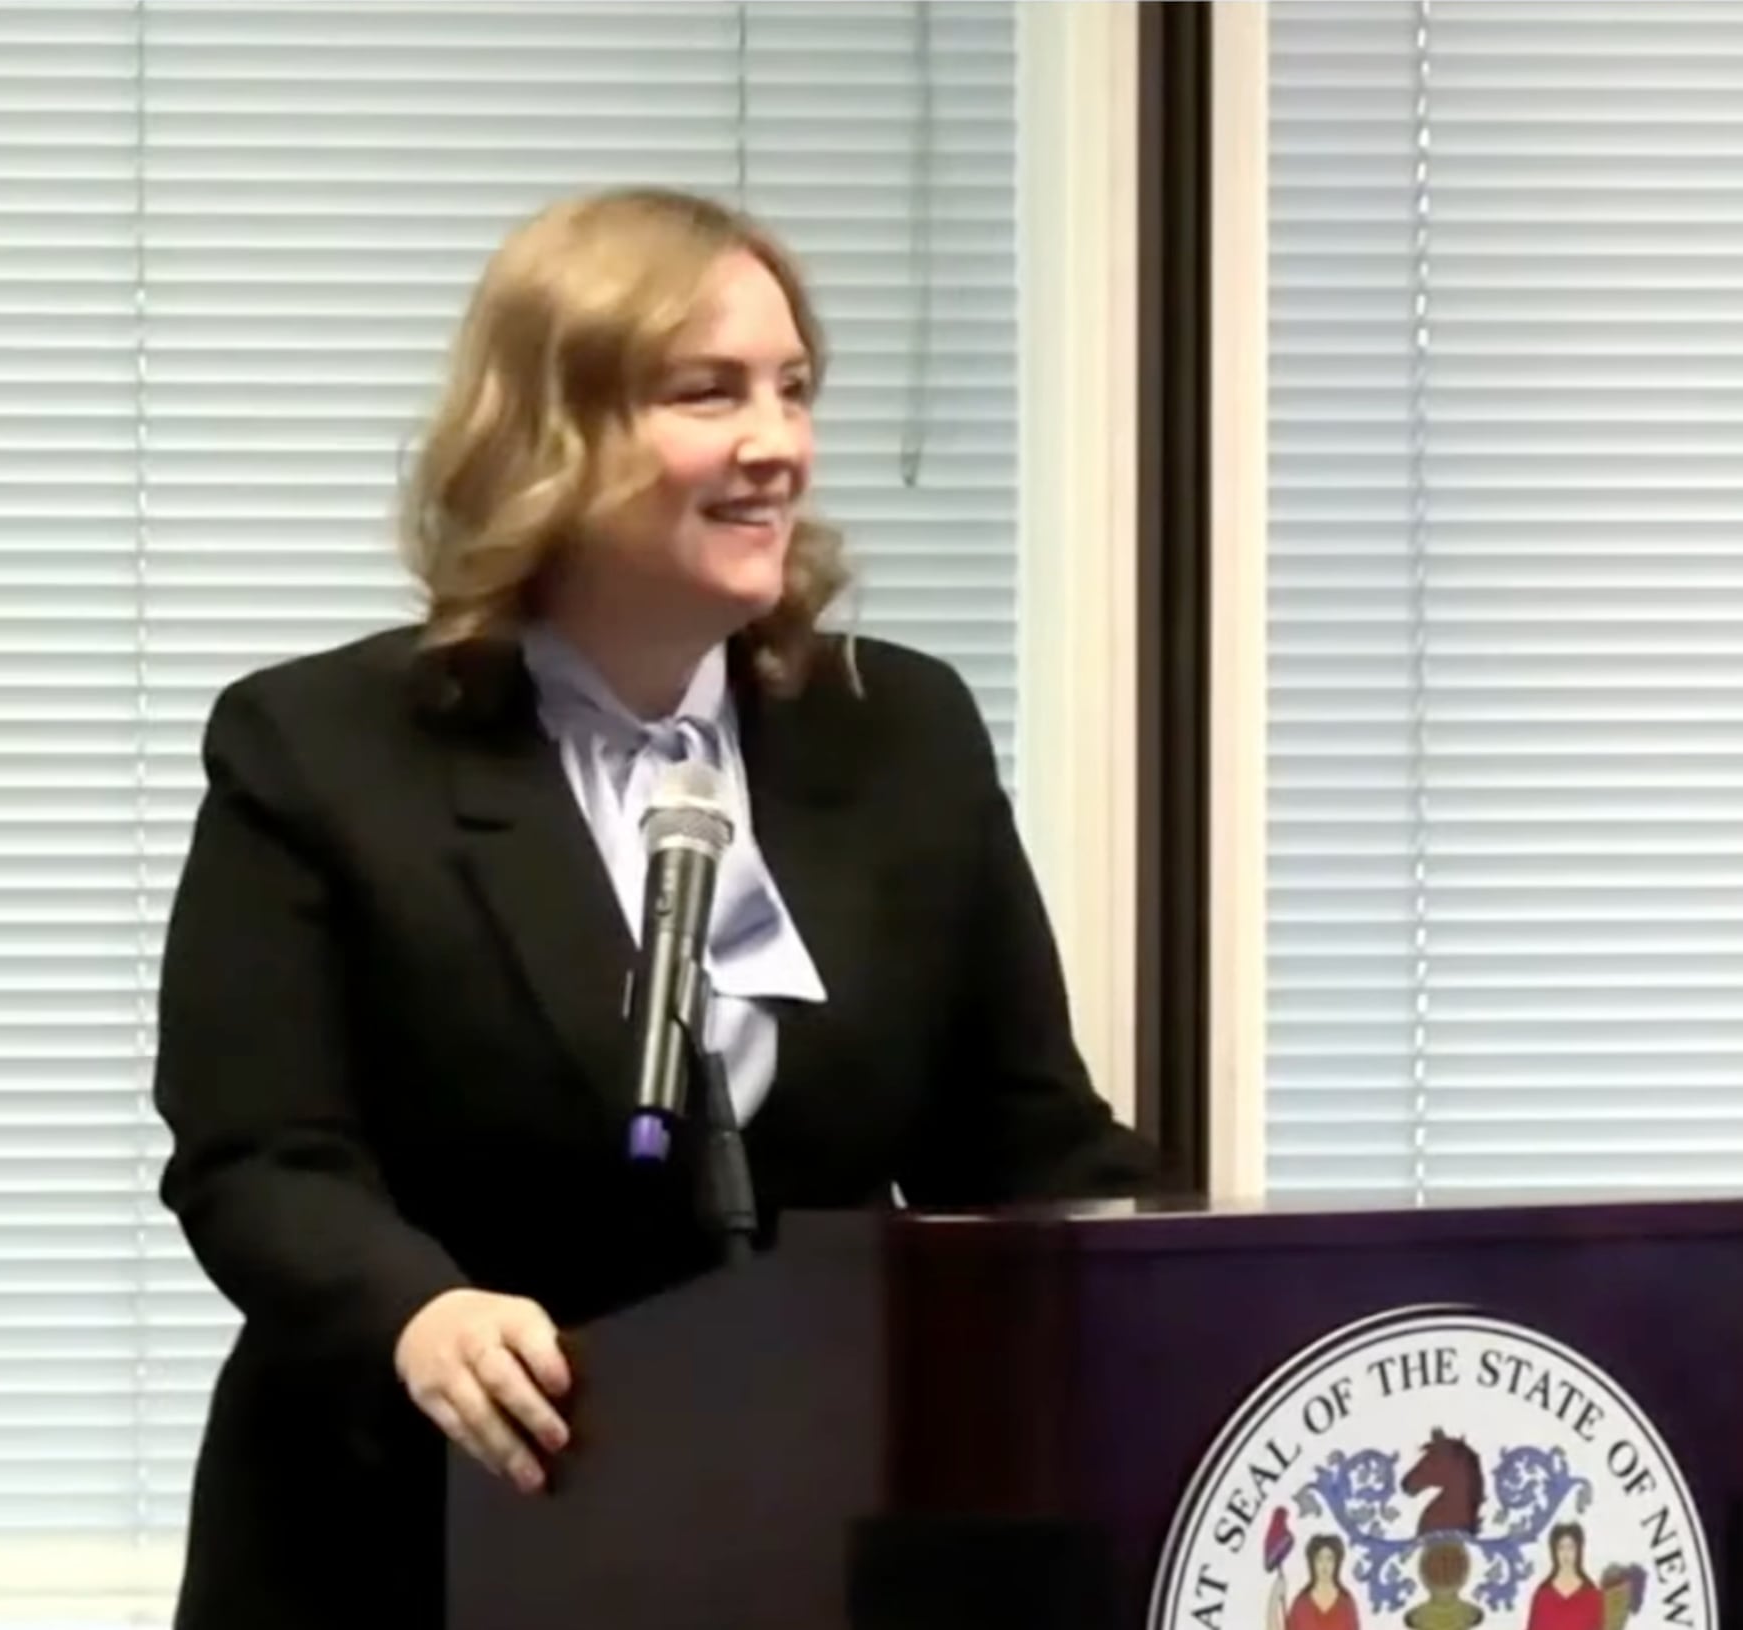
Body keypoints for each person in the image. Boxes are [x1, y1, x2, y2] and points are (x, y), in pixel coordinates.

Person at [149, 184, 1163, 1629]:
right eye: (709, 393)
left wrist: (1212, 1283)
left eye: (793, 391)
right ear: (550, 434)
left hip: (804, 1542)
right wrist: (420, 1311)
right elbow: (260, 1157)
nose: (776, 445)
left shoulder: (899, 733)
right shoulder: (321, 748)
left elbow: (1019, 1140)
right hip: (419, 1538)